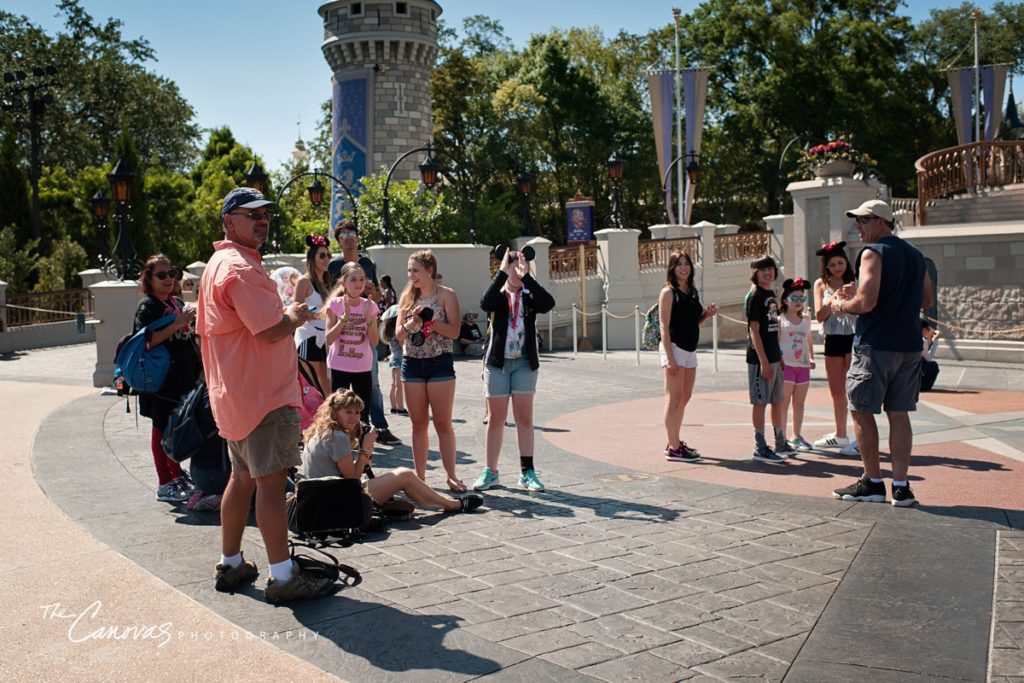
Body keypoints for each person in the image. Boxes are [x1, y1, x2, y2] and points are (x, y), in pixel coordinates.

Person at [197, 187, 334, 603]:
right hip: (262, 398)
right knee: (271, 487)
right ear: (228, 221)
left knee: (241, 480)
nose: (261, 220)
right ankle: (283, 577)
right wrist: (293, 315)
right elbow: (270, 328)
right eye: (250, 214)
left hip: (237, 397)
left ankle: (232, 563)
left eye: (265, 214)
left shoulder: (220, 263)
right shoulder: (239, 268)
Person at [830, 199, 934, 507]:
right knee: (899, 413)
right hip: (909, 346)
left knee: (861, 409)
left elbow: (867, 303)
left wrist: (840, 305)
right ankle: (901, 487)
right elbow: (926, 298)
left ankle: (872, 482)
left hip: (875, 344)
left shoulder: (873, 252)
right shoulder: (915, 255)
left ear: (881, 222)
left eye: (863, 221)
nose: (858, 227)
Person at [300, 390, 483, 513]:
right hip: (338, 501)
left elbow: (354, 472)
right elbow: (353, 479)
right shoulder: (337, 437)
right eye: (349, 412)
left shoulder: (322, 430)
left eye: (357, 413)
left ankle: (432, 502)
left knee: (400, 479)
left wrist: (367, 449)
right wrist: (365, 447)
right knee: (405, 474)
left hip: (322, 498)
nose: (354, 418)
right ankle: (453, 504)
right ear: (335, 412)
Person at [472, 249, 556, 492]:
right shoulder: (497, 295)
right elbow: (484, 303)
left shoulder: (529, 295)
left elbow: (548, 303)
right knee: (496, 419)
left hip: (523, 364)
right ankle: (491, 471)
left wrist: (526, 277)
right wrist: (501, 273)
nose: (515, 268)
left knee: (524, 419)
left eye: (519, 264)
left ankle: (527, 472)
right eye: (511, 264)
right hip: (497, 364)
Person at [134, 254, 201, 502]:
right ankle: (164, 482)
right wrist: (178, 323)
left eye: (171, 273)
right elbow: (147, 341)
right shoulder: (148, 306)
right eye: (161, 275)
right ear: (148, 279)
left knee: (176, 427)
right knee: (161, 428)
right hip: (160, 380)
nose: (168, 278)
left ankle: (176, 474)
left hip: (180, 379)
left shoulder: (173, 301)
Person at [396, 250, 465, 491]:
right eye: (409, 270)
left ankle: (451, 475)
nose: (410, 275)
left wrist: (431, 322)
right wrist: (412, 323)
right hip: (412, 363)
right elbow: (398, 335)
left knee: (443, 423)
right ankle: (420, 479)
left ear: (429, 270)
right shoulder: (406, 297)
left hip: (439, 363)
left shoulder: (446, 295)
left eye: (415, 270)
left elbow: (455, 332)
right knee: (418, 424)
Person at [327, 220, 400, 446]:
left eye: (352, 233)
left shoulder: (368, 263)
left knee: (372, 387)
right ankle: (338, 439)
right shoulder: (333, 265)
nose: (349, 237)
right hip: (341, 350)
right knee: (338, 397)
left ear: (358, 237)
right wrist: (345, 311)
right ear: (338, 240)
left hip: (363, 343)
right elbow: (330, 297)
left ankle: (376, 429)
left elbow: (377, 296)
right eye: (343, 234)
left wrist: (370, 298)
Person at [658, 250, 716, 463]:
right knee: (673, 399)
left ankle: (675, 440)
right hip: (674, 348)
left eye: (687, 263)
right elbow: (664, 326)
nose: (683, 267)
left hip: (690, 350)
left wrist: (706, 316)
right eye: (679, 264)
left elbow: (692, 321)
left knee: (685, 397)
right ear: (672, 268)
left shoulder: (691, 291)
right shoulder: (668, 292)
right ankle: (673, 447)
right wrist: (670, 358)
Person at [812, 241, 859, 456]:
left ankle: (861, 438)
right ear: (827, 267)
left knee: (855, 390)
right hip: (832, 338)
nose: (838, 267)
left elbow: (864, 307)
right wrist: (832, 299)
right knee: (837, 390)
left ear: (846, 263)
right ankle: (841, 435)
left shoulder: (855, 282)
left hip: (853, 337)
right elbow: (819, 316)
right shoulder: (820, 284)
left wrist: (853, 294)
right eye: (833, 264)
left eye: (841, 262)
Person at [746, 255, 789, 464]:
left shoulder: (771, 294)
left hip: (774, 356)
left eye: (771, 268)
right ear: (755, 273)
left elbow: (773, 328)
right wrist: (763, 361)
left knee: (777, 400)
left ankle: (780, 440)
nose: (768, 272)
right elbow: (754, 331)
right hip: (759, 359)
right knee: (760, 402)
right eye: (763, 269)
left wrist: (778, 355)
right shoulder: (756, 296)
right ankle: (760, 445)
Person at [325, 262, 378, 424]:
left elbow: (374, 342)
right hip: (339, 366)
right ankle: (341, 445)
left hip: (362, 367)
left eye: (362, 279)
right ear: (344, 283)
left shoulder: (370, 306)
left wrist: (369, 320)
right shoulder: (335, 304)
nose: (358, 283)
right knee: (338, 413)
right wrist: (343, 319)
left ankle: (362, 444)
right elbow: (328, 338)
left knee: (363, 415)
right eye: (353, 279)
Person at [293, 234, 332, 398]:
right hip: (308, 337)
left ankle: (329, 418)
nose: (326, 259)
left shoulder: (327, 282)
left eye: (328, 255)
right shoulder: (304, 281)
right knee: (314, 384)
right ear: (312, 258)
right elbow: (296, 312)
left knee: (327, 382)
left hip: (326, 337)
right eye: (322, 255)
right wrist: (319, 315)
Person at [778, 278, 816, 451]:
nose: (799, 302)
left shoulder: (806, 320)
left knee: (799, 403)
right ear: (786, 300)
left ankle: (796, 436)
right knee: (784, 403)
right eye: (795, 298)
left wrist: (812, 358)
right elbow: (776, 341)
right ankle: (782, 438)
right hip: (786, 366)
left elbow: (809, 341)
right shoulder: (781, 320)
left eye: (802, 298)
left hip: (803, 367)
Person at [379, 307, 407, 415]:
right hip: (400, 358)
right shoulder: (398, 331)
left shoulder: (388, 331)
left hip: (393, 358)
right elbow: (402, 345)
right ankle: (400, 408)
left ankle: (394, 407)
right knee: (399, 385)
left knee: (394, 384)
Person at [920, 321, 940, 391]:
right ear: (924, 330)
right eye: (928, 330)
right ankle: (924, 387)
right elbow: (929, 359)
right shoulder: (922, 342)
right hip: (916, 370)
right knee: (933, 366)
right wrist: (935, 340)